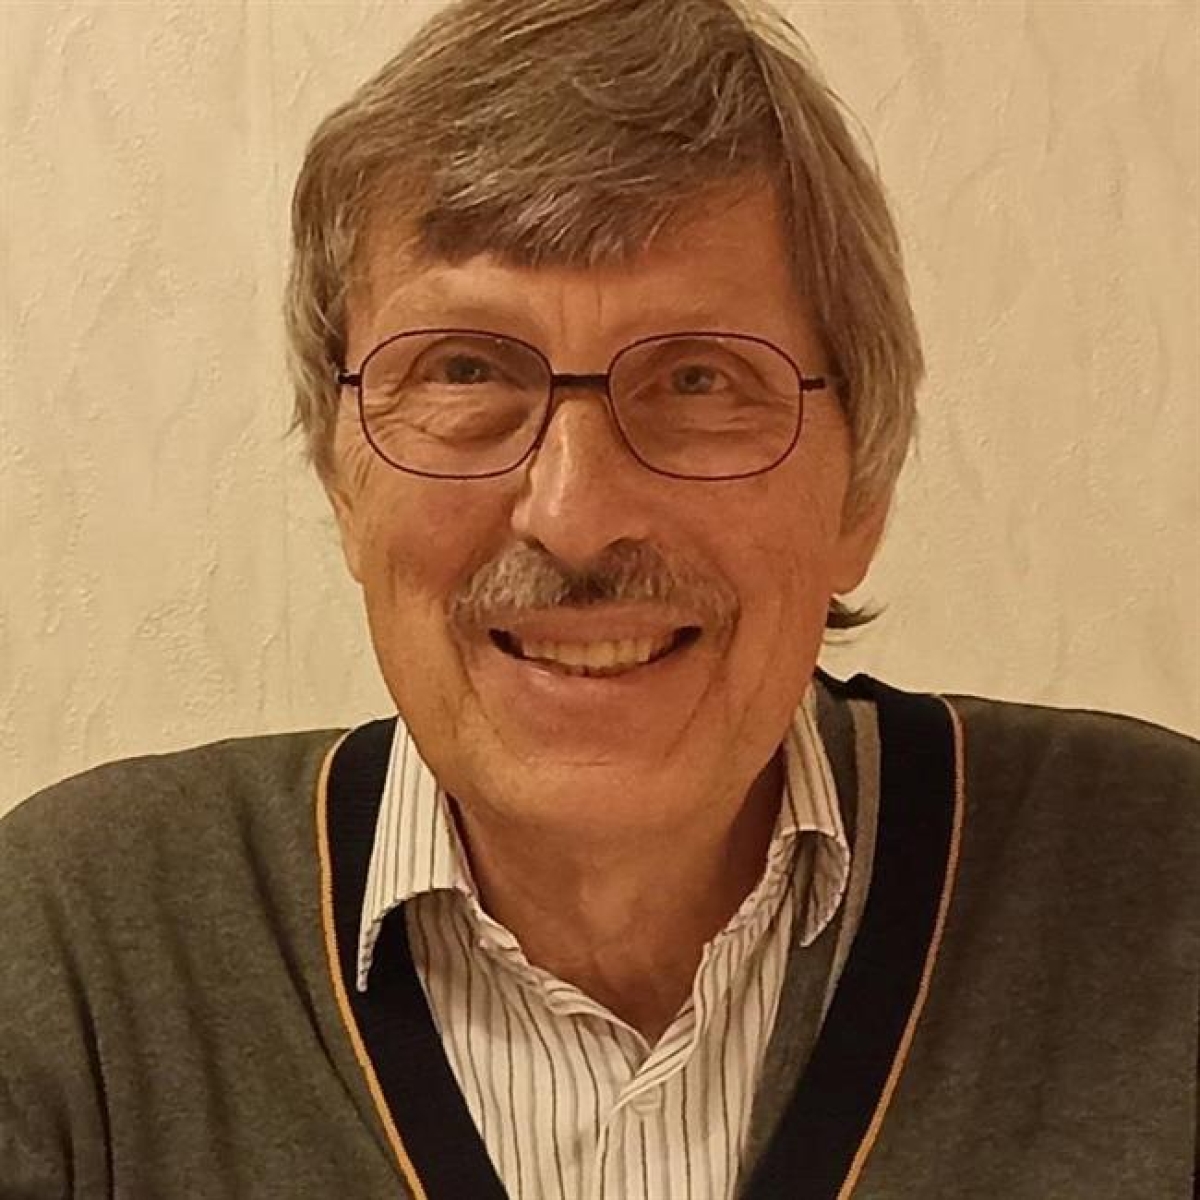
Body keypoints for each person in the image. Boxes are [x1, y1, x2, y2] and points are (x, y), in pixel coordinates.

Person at [1, 0, 1195, 1197]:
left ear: (861, 489)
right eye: (465, 370)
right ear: (339, 475)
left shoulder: (1164, 893)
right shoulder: (73, 956)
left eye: (699, 379)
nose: (574, 514)